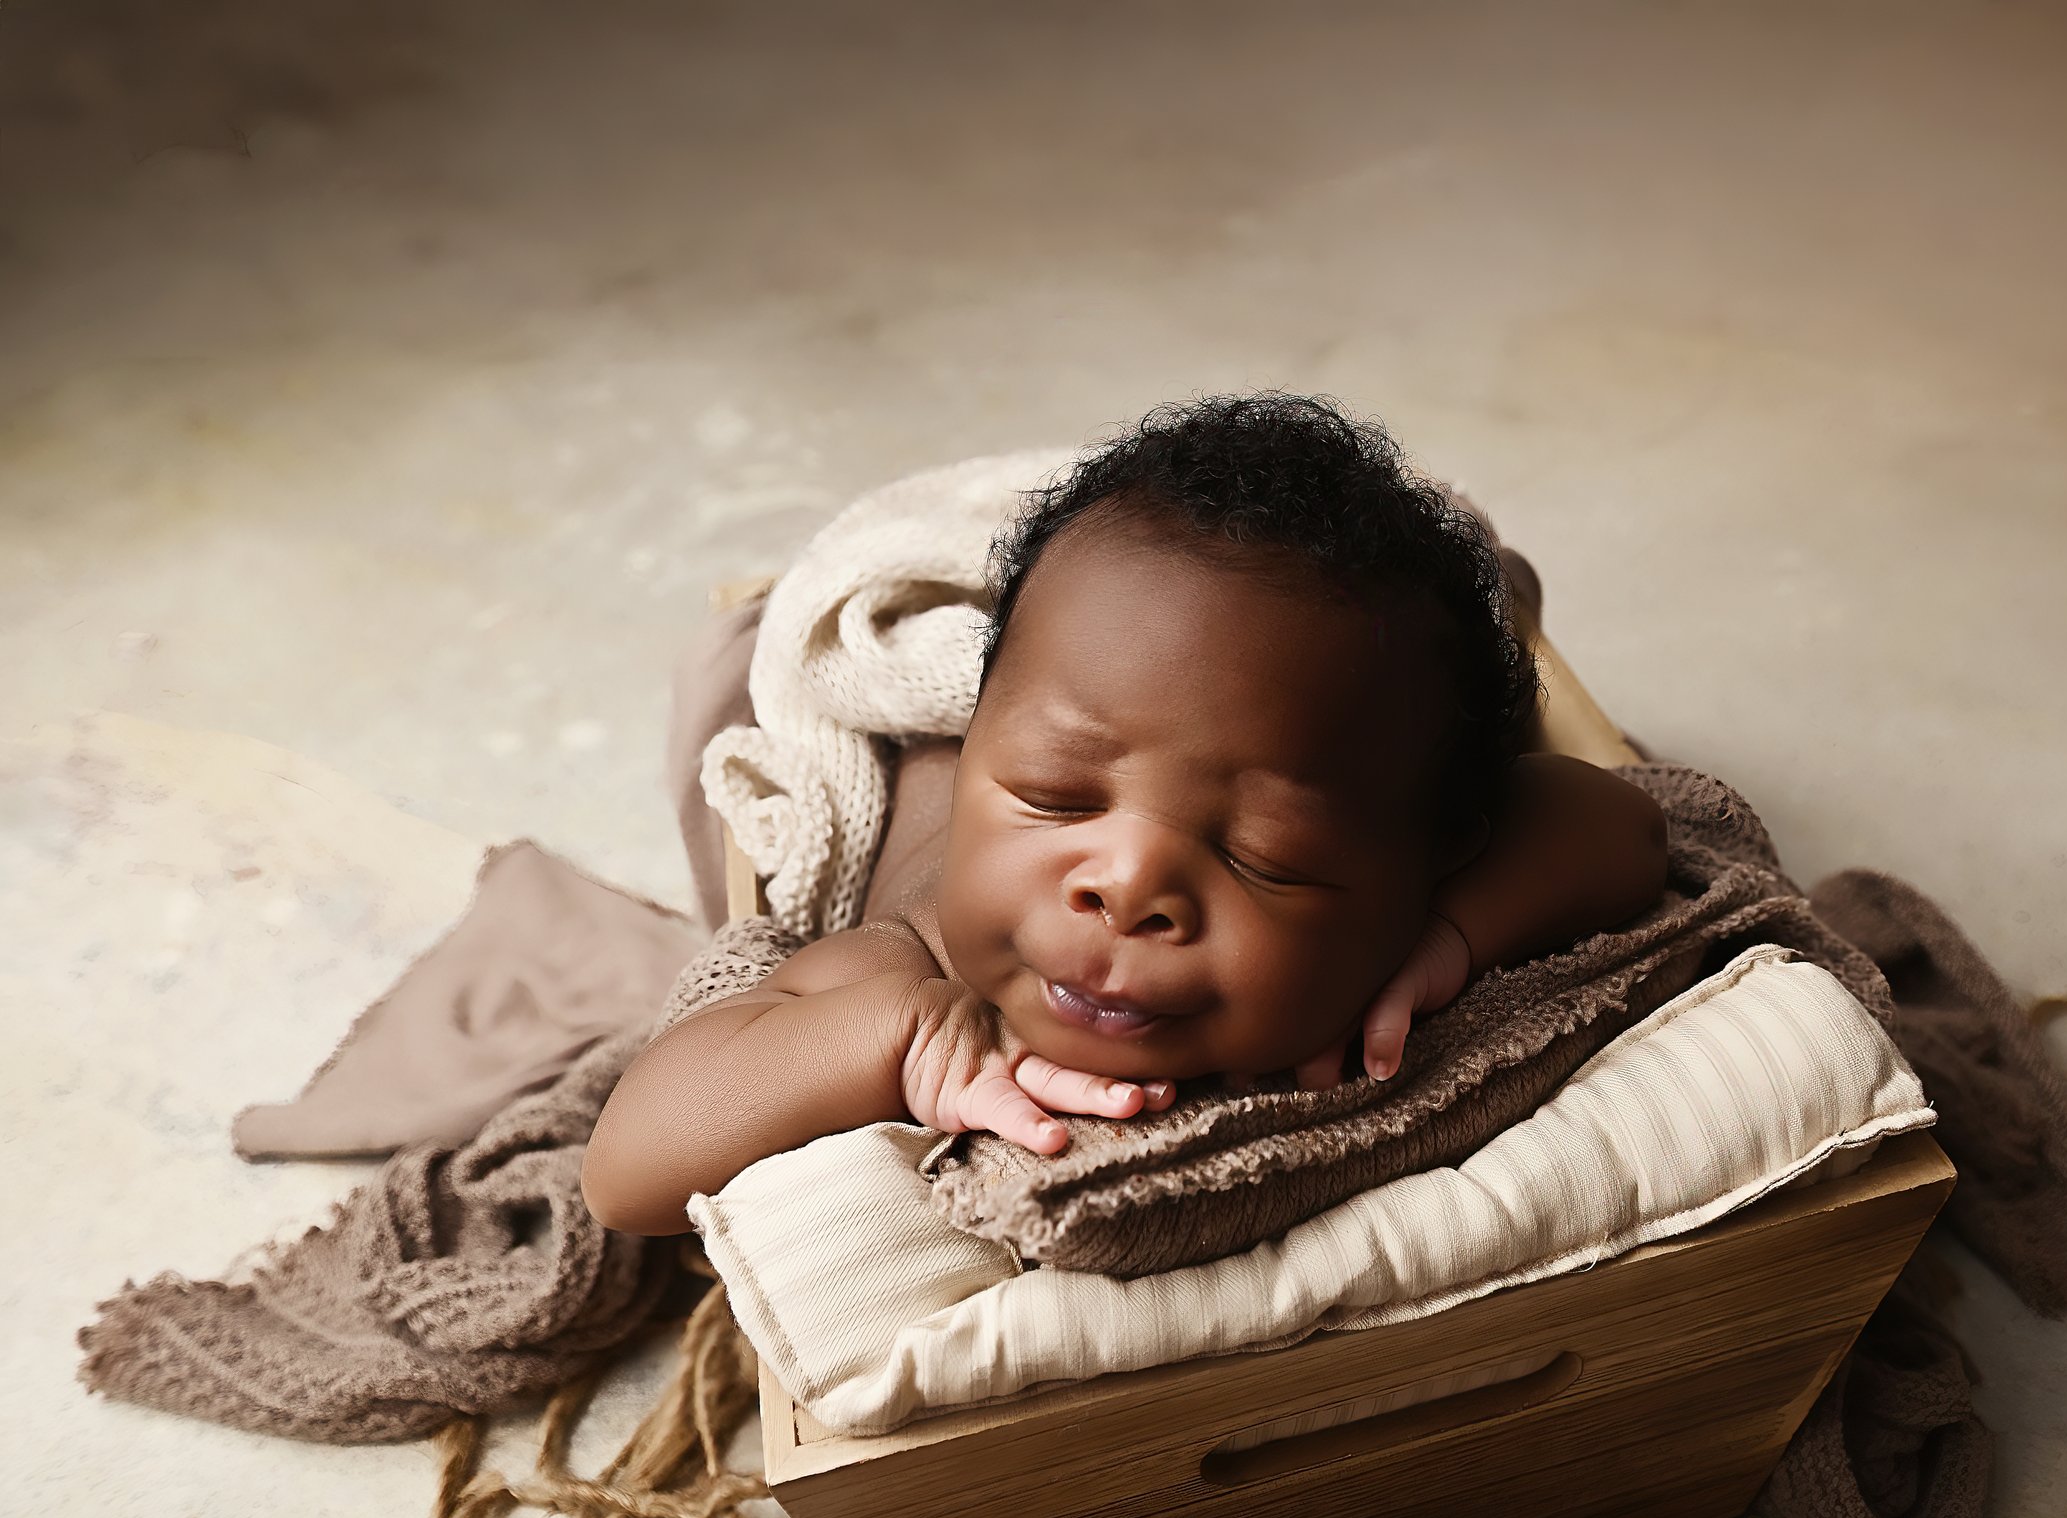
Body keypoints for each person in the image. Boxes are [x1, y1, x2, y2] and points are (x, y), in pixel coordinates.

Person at [583, 395, 1669, 1237]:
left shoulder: (1397, 888)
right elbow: (625, 1170)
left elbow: (1623, 826)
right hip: (965, 716)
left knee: (1438, 631)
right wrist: (908, 1042)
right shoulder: (912, 963)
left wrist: (1446, 938)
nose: (1122, 883)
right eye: (1052, 795)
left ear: (1416, 865)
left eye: (1265, 854)